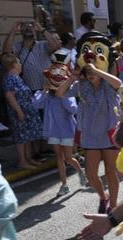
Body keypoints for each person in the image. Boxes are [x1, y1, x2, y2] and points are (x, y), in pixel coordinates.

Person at [56, 56, 122, 214]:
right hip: (90, 135)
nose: (91, 73)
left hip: (109, 133)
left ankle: (113, 206)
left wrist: (97, 70)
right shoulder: (81, 85)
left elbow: (118, 84)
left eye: (93, 70)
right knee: (91, 174)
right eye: (88, 71)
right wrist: (72, 77)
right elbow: (60, 93)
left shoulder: (108, 84)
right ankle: (103, 197)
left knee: (111, 172)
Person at [33, 63, 86, 197]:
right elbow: (36, 104)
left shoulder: (68, 94)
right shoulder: (48, 95)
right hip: (53, 130)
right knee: (59, 157)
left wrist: (63, 96)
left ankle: (80, 171)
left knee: (68, 158)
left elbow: (73, 109)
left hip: (67, 130)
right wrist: (44, 91)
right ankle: (64, 185)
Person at [1, 53, 43, 170]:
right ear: (14, 64)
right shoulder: (10, 78)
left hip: (27, 111)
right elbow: (10, 96)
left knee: (27, 136)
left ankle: (28, 159)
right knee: (21, 137)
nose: (20, 64)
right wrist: (19, 111)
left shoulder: (17, 77)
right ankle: (22, 161)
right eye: (18, 62)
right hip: (19, 112)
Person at [3, 20, 61, 92]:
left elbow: (56, 45)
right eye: (25, 28)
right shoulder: (18, 47)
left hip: (49, 87)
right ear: (21, 31)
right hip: (31, 89)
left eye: (31, 27)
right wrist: (13, 31)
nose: (28, 29)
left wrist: (41, 29)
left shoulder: (42, 44)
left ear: (35, 30)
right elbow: (6, 51)